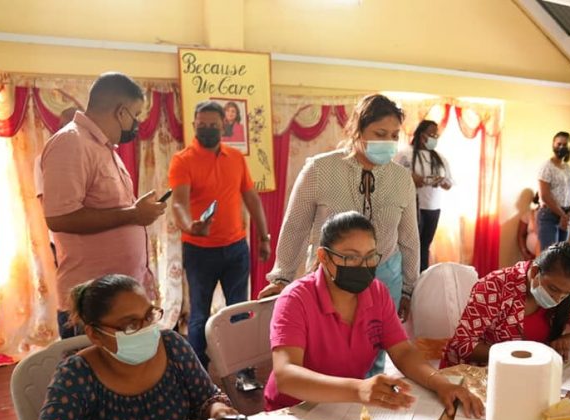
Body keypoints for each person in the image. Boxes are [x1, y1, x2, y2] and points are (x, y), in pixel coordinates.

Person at [21, 274, 237, 420]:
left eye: (149, 316)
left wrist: (219, 411)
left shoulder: (173, 347)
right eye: (130, 325)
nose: (145, 329)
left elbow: (207, 398)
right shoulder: (77, 376)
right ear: (95, 334)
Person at [259, 94, 420, 376]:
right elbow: (296, 226)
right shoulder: (320, 169)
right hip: (333, 273)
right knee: (325, 353)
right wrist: (282, 276)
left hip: (385, 273)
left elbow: (408, 237)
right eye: (379, 133)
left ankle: (369, 410)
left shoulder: (401, 178)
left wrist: (408, 287)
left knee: (375, 355)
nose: (388, 142)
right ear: (357, 130)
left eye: (394, 135)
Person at [264, 212, 483, 418]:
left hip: (343, 409)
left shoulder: (376, 293)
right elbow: (287, 376)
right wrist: (359, 389)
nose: (363, 267)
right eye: (351, 258)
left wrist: (440, 383)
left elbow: (403, 351)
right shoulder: (296, 299)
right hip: (292, 412)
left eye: (370, 257)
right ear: (324, 257)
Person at [41, 72, 166, 339]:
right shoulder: (71, 143)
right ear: (121, 112)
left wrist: (136, 214)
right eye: (136, 114)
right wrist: (134, 214)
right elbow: (59, 218)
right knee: (93, 379)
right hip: (93, 306)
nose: (137, 123)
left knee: (127, 377)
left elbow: (108, 209)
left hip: (118, 299)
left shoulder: (104, 148)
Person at [168, 101, 271, 368]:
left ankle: (242, 369)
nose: (207, 129)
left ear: (224, 126)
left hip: (236, 248)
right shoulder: (182, 160)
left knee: (239, 312)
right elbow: (178, 202)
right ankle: (197, 373)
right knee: (199, 314)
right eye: (201, 125)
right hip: (199, 251)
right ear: (194, 125)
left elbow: (251, 197)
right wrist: (190, 226)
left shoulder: (236, 158)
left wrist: (264, 236)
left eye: (213, 125)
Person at [442, 242, 570, 367]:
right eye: (553, 289)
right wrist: (515, 355)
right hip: (481, 371)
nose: (556, 299)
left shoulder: (562, 293)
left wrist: (567, 341)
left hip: (530, 373)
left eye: (565, 294)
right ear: (534, 272)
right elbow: (462, 344)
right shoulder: (496, 286)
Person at [395, 119, 453, 272]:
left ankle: (422, 278)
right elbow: (393, 178)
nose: (435, 138)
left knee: (425, 245)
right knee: (410, 244)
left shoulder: (440, 158)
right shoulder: (404, 154)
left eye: (436, 135)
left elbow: (449, 183)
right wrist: (411, 179)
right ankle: (407, 279)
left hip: (433, 207)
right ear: (421, 136)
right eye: (432, 134)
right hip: (411, 207)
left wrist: (441, 181)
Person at [35, 106, 78, 267]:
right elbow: (45, 202)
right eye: (62, 127)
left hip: (94, 241)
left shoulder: (92, 155)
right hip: (62, 240)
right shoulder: (43, 159)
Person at [537, 131, 570, 250]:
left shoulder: (568, 168)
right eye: (559, 144)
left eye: (565, 145)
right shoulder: (547, 167)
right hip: (550, 215)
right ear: (553, 145)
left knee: (562, 255)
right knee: (551, 256)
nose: (561, 147)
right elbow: (545, 195)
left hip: (566, 215)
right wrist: (562, 215)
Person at [517, 191, 540, 261]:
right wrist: (524, 252)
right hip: (530, 257)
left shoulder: (554, 217)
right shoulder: (528, 214)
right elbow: (521, 235)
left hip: (544, 257)